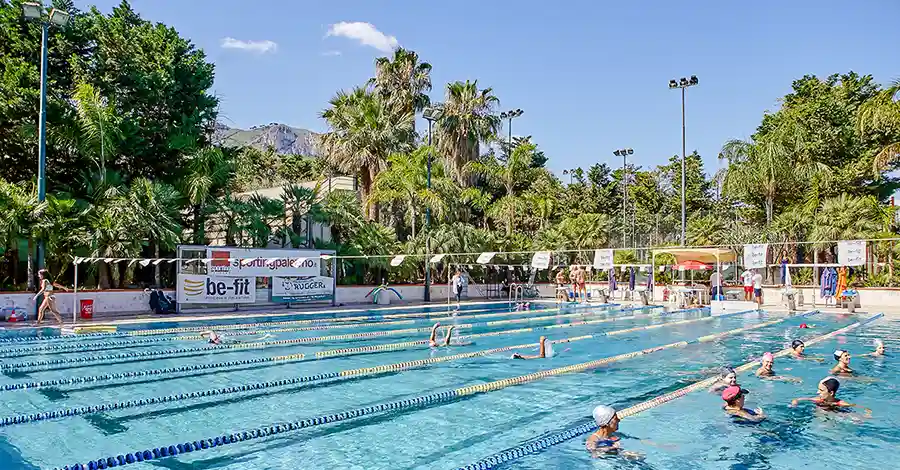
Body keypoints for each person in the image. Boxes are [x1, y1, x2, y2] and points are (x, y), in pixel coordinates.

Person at [791, 377, 871, 414]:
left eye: (821, 390)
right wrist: (795, 402)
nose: (817, 392)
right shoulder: (819, 399)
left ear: (831, 393)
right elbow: (799, 399)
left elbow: (864, 408)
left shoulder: (840, 403)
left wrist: (867, 414)